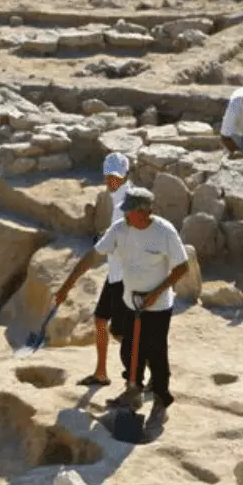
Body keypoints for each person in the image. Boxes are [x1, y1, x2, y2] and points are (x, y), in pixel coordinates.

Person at [53, 188, 189, 431]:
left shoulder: (164, 232)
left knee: (156, 354)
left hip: (157, 307)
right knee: (129, 349)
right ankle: (133, 392)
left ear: (144, 211)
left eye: (130, 211)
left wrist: (155, 293)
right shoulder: (120, 229)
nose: (125, 215)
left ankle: (160, 403)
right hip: (130, 302)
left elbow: (182, 268)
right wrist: (67, 284)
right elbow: (92, 257)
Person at [79, 152, 133, 388]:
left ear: (125, 175)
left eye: (116, 177)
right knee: (101, 321)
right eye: (109, 177)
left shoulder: (126, 203)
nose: (111, 181)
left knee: (121, 334)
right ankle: (101, 373)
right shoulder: (119, 197)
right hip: (116, 274)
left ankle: (146, 377)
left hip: (125, 277)